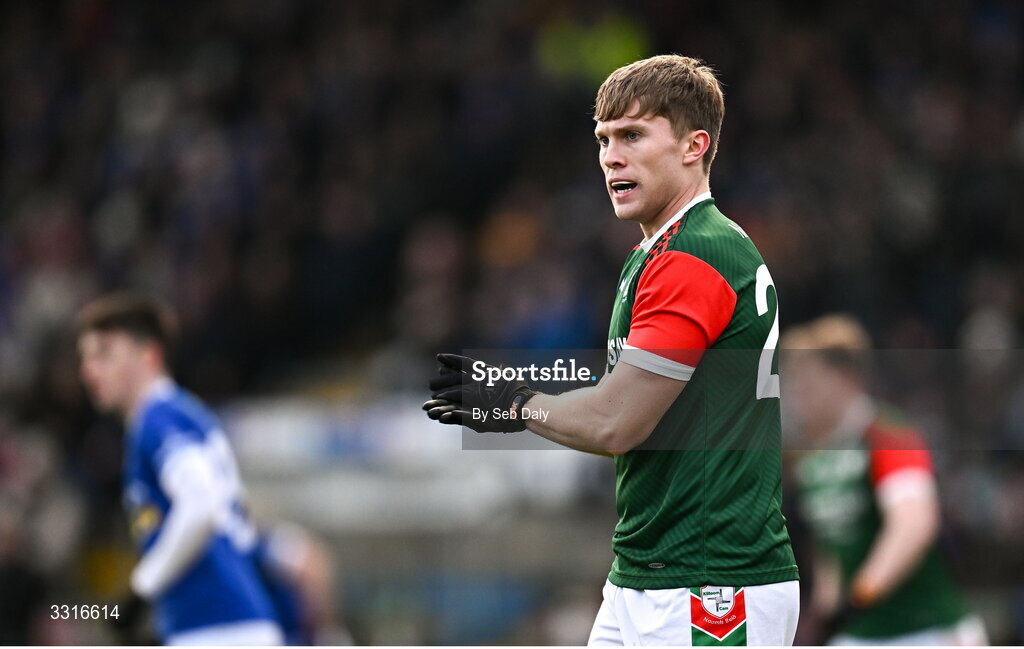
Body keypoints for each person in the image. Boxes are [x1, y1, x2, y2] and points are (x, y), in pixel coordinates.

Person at [424, 55, 799, 646]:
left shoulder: (692, 257)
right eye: (603, 139)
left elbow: (617, 420)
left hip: (709, 582)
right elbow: (624, 396)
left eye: (632, 135)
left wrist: (515, 402)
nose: (610, 157)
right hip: (647, 572)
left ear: (694, 146)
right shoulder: (659, 251)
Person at [76, 294, 284, 645]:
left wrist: (142, 589)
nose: (89, 370)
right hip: (229, 623)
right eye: (85, 359)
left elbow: (201, 505)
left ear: (149, 355)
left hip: (218, 629)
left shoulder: (159, 418)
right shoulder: (184, 416)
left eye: (105, 354)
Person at [782, 314, 987, 645]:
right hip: (859, 635)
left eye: (808, 383)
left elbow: (913, 525)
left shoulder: (888, 434)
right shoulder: (808, 458)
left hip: (927, 632)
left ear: (845, 380)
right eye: (794, 385)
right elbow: (830, 545)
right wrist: (822, 611)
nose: (797, 396)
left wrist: (859, 596)